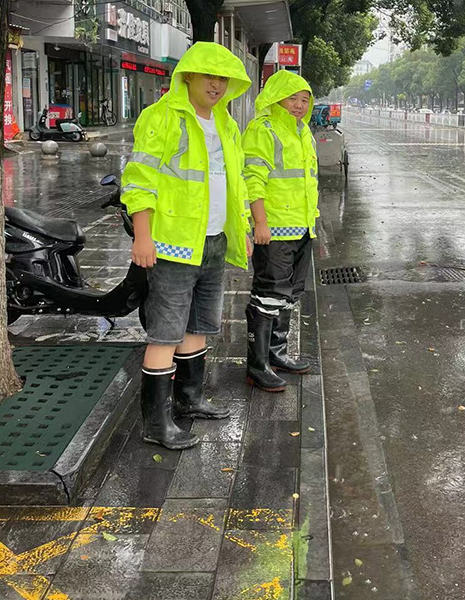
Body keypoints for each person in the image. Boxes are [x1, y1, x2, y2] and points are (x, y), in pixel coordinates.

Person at [121, 42, 253, 449]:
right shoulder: (162, 118)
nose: (217, 85)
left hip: (213, 240)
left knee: (198, 324)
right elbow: (139, 178)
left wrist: (243, 228)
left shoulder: (226, 123)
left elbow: (237, 184)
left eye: (223, 79)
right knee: (165, 331)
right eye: (209, 76)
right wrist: (143, 235)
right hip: (173, 243)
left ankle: (189, 400)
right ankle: (155, 424)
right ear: (189, 76)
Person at [242, 70, 319, 392]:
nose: (299, 105)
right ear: (276, 97)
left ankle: (277, 353)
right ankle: (257, 365)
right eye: (293, 98)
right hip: (274, 230)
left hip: (302, 228)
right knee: (268, 295)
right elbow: (252, 179)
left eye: (305, 100)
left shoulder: (303, 132)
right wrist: (259, 222)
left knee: (289, 297)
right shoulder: (264, 129)